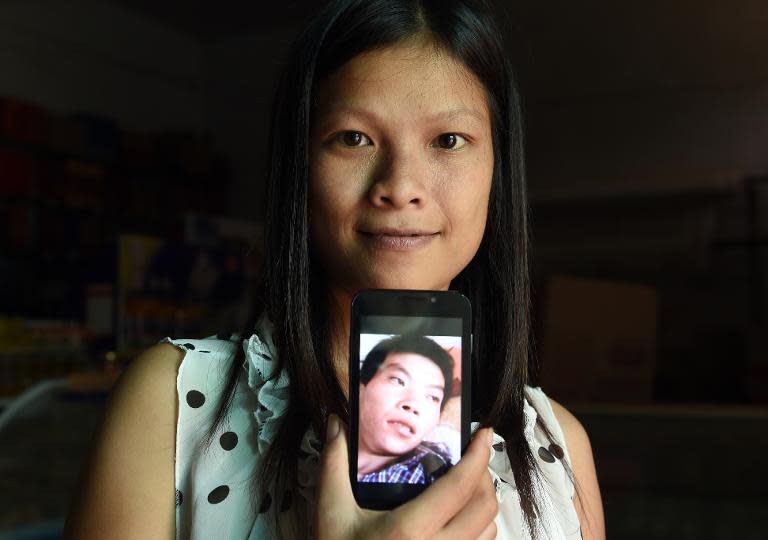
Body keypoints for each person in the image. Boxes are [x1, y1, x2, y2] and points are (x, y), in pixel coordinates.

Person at [65, 0, 605, 538]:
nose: (400, 186)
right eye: (353, 138)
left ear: (496, 167)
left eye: (448, 140)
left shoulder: (559, 447)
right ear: (300, 162)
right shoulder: (173, 404)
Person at [357, 334, 456, 484]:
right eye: (398, 381)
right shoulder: (316, 454)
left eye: (432, 397)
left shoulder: (439, 476)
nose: (413, 405)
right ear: (361, 388)